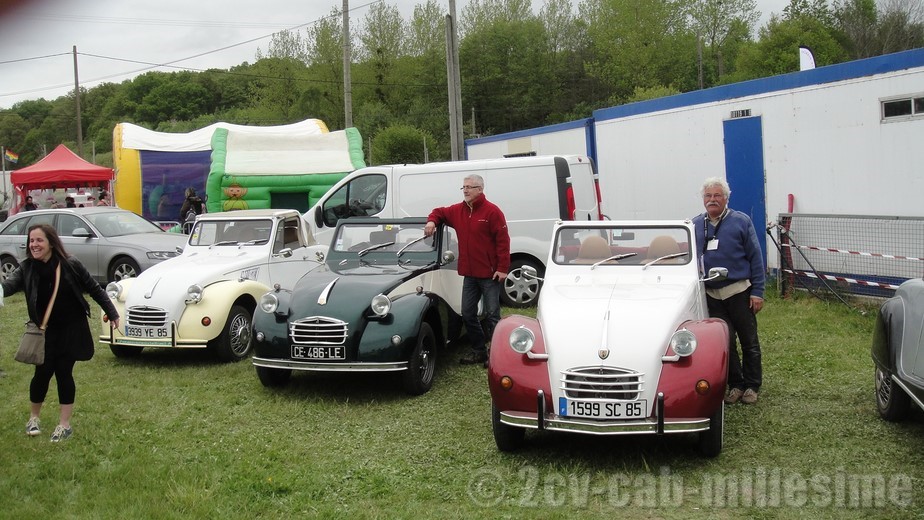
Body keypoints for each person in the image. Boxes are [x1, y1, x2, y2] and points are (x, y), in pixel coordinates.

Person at [0, 224, 121, 442]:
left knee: (64, 372)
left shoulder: (70, 264)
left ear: (51, 242)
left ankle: (64, 425)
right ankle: (34, 418)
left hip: (71, 329)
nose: (34, 245)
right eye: (31, 241)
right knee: (42, 373)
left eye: (39, 240)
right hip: (44, 331)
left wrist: (112, 313)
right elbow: (8, 286)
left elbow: (94, 289)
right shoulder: (27, 267)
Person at [692, 177, 765, 405]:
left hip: (739, 292)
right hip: (712, 295)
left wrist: (758, 292)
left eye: (717, 195)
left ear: (726, 198)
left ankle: (752, 386)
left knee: (748, 340)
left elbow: (755, 257)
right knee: (725, 342)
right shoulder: (695, 224)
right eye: (708, 196)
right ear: (703, 199)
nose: (712, 200)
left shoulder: (741, 221)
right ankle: (736, 385)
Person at [424, 174, 510, 366]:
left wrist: (503, 268)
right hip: (469, 274)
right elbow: (439, 212)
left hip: (490, 275)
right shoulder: (458, 210)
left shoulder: (492, 211)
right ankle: (479, 351)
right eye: (463, 187)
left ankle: (497, 356)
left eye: (469, 187)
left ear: (480, 189)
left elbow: (503, 241)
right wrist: (432, 221)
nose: (465, 190)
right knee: (468, 314)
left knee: (492, 316)